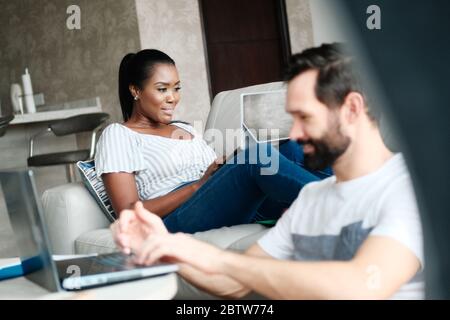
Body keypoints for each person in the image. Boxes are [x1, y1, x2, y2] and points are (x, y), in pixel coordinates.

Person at [111, 43, 424, 299]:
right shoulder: (312, 200)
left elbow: (361, 286)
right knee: (262, 156)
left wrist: (219, 171)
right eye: (162, 88)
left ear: (353, 109)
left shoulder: (413, 191)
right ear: (136, 91)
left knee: (280, 151)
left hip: (216, 193)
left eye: (305, 117)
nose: (298, 131)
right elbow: (232, 285)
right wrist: (164, 249)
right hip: (183, 207)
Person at [95, 49, 331, 233]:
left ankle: (352, 191)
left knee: (293, 145)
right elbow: (128, 212)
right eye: (162, 89)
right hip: (175, 218)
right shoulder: (118, 134)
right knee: (257, 156)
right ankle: (345, 203)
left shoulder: (184, 128)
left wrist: (228, 164)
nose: (173, 98)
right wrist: (199, 185)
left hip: (219, 200)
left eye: (176, 88)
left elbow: (217, 177)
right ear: (136, 90)